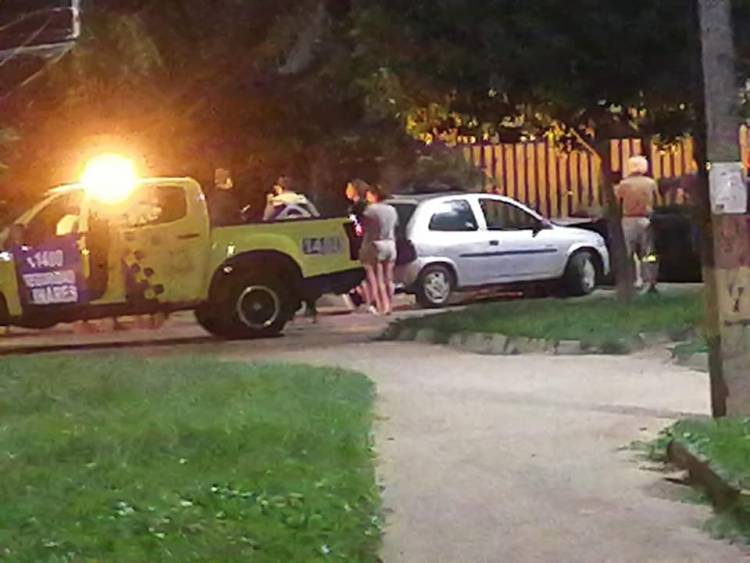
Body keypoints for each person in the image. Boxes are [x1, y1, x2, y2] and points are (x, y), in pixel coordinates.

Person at [615, 155, 659, 293]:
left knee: (628, 253)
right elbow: (657, 201)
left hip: (628, 220)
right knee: (648, 253)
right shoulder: (650, 183)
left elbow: (617, 204)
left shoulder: (623, 184)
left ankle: (632, 280)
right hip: (646, 219)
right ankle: (650, 281)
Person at [360, 185, 398, 315]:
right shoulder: (392, 210)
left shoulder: (370, 210)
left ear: (374, 195)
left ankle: (382, 306)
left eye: (369, 194)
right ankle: (390, 305)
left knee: (378, 278)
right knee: (389, 278)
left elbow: (363, 228)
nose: (367, 197)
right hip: (391, 244)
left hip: (376, 244)